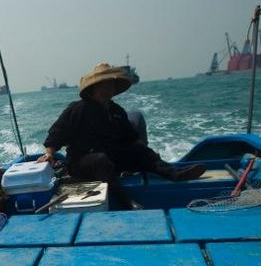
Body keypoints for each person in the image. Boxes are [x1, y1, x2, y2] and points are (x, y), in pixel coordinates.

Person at [38, 63, 206, 209]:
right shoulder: (78, 109)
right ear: (94, 87)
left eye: (112, 84)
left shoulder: (117, 111)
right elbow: (57, 133)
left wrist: (146, 156)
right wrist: (50, 154)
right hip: (81, 163)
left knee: (140, 151)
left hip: (111, 159)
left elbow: (131, 139)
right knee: (100, 160)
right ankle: (126, 201)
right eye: (104, 84)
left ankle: (175, 174)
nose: (109, 88)